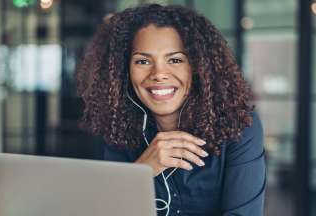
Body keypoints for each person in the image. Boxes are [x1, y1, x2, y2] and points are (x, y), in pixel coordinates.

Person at [76, 3, 266, 216]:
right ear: (124, 70)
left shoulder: (239, 126)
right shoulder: (117, 126)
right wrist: (141, 171)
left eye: (175, 60)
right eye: (143, 61)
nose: (159, 73)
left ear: (197, 67)